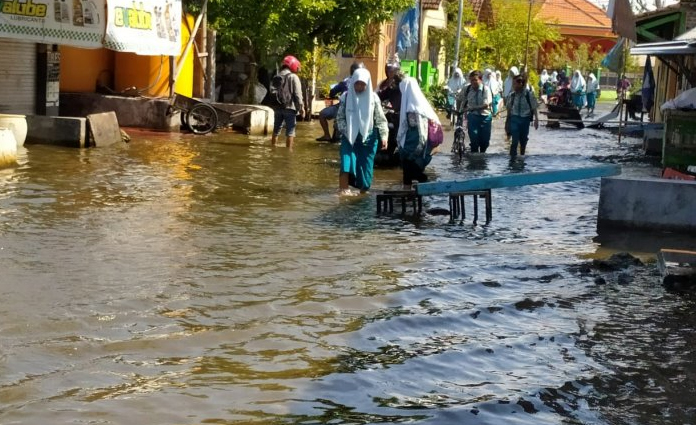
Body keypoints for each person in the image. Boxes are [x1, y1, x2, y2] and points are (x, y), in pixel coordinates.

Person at [336, 68, 389, 195]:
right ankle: (343, 193)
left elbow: (380, 119)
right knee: (346, 163)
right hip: (349, 138)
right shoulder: (346, 97)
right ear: (353, 82)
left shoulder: (374, 99)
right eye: (357, 84)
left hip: (368, 139)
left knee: (365, 173)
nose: (359, 87)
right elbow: (340, 118)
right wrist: (347, 132)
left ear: (367, 84)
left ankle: (362, 195)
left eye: (363, 84)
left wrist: (384, 136)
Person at [397, 77, 440, 186]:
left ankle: (423, 193)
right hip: (410, 148)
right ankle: (410, 198)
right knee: (408, 176)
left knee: (415, 174)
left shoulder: (415, 109)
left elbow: (422, 134)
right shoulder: (416, 106)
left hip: (415, 150)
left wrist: (414, 153)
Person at [316, 62, 364, 142]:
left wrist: (333, 94)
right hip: (356, 111)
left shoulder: (345, 82)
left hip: (343, 108)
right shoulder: (364, 82)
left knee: (322, 114)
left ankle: (327, 135)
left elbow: (332, 92)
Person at [270, 55, 303, 149]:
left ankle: (273, 148)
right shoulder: (293, 77)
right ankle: (289, 152)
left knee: (276, 130)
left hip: (277, 107)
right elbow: (298, 94)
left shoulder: (276, 76)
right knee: (290, 131)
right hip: (289, 107)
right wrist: (301, 108)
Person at [456, 70, 493, 153]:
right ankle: (474, 162)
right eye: (471, 80)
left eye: (475, 80)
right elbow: (459, 99)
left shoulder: (485, 89)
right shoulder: (467, 89)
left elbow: (486, 105)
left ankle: (482, 159)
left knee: (485, 143)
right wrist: (459, 111)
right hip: (473, 117)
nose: (473, 82)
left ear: (480, 80)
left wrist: (471, 108)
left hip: (485, 118)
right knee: (474, 141)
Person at [376, 63, 405, 167]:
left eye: (392, 71)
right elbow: (380, 95)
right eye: (388, 70)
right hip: (392, 114)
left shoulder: (404, 86)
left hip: (404, 117)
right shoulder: (387, 85)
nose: (390, 73)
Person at [505, 74, 539, 159]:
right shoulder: (512, 95)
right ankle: (512, 161)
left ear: (521, 84)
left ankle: (522, 158)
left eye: (515, 84)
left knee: (523, 141)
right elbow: (509, 109)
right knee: (514, 141)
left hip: (525, 120)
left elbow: (534, 107)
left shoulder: (529, 94)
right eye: (513, 84)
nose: (513, 86)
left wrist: (536, 120)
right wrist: (507, 123)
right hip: (514, 119)